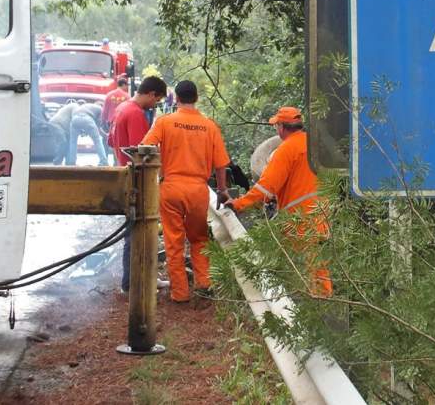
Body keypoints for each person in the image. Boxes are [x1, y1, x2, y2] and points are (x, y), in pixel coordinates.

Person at [224, 106, 332, 297]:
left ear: (282, 127)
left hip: (298, 220)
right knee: (318, 267)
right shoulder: (315, 145)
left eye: (276, 126)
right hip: (320, 214)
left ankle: (305, 307)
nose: (276, 129)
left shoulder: (286, 149)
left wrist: (239, 203)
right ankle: (325, 305)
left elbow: (266, 187)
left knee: (297, 269)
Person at [141, 80, 230, 303]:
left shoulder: (165, 122)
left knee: (174, 242)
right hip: (198, 191)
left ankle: (179, 293)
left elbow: (145, 148)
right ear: (196, 98)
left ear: (177, 99)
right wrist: (222, 190)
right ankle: (204, 285)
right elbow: (221, 165)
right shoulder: (210, 126)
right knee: (199, 239)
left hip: (171, 188)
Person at [108, 75, 168, 293]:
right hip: (137, 180)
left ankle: (140, 279)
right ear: (151, 94)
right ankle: (134, 283)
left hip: (124, 175)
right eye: (157, 100)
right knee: (138, 233)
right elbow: (142, 153)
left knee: (135, 231)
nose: (155, 105)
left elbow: (111, 141)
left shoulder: (122, 108)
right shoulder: (135, 114)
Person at [101, 77, 130, 162]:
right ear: (123, 85)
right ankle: (117, 161)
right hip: (122, 122)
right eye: (127, 85)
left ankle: (104, 160)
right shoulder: (127, 96)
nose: (127, 87)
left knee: (108, 141)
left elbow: (105, 110)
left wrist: (103, 121)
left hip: (111, 123)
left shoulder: (109, 95)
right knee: (119, 142)